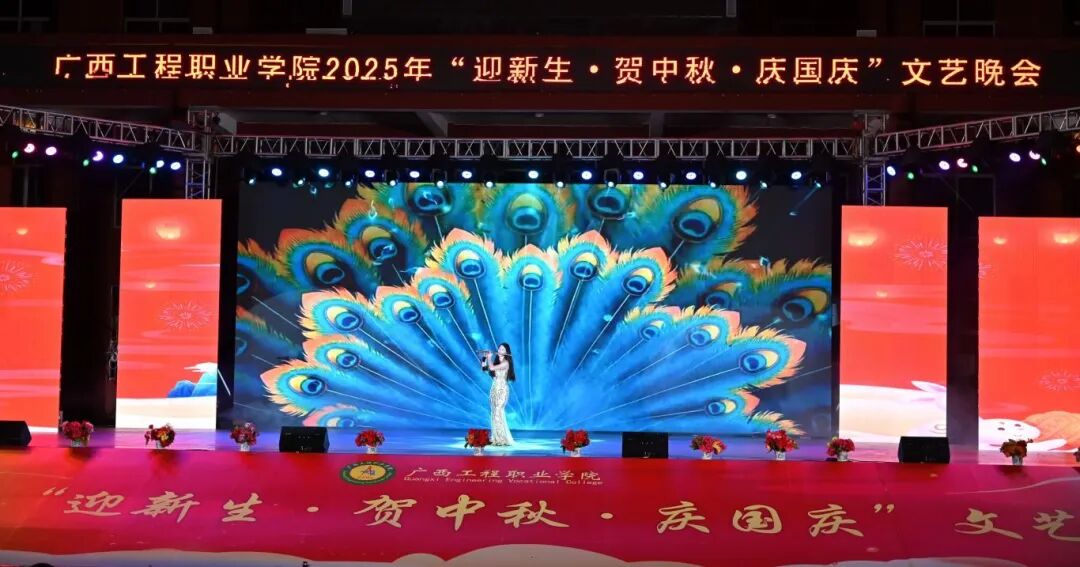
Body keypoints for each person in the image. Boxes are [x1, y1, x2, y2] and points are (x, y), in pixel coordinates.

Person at [480, 343, 515, 446]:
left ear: (506, 352)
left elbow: (491, 368)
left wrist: (489, 358)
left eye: (503, 349)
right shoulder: (496, 362)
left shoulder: (506, 363)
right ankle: (496, 437)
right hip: (494, 389)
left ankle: (502, 439)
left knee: (498, 412)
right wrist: (484, 357)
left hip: (502, 390)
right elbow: (484, 369)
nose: (500, 350)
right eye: (499, 349)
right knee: (494, 412)